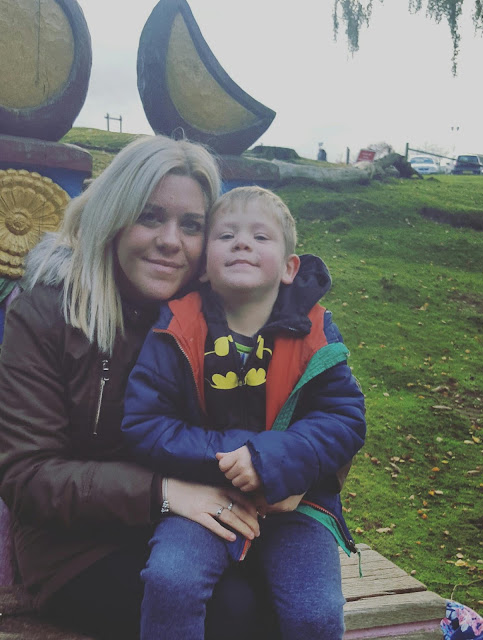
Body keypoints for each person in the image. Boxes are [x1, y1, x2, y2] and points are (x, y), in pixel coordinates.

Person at [0, 136, 271, 640]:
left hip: (198, 524)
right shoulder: (50, 312)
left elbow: (312, 405)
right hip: (78, 546)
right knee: (229, 615)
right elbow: (27, 473)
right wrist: (163, 493)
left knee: (284, 600)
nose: (170, 241)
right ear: (113, 218)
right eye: (149, 217)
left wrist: (291, 469)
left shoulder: (221, 312)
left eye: (191, 225)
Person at [122, 186, 367, 639]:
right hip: (204, 498)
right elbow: (145, 423)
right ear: (203, 267)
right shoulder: (176, 327)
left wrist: (272, 459)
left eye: (260, 236)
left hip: (295, 504)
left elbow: (345, 419)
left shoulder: (315, 330)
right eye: (226, 235)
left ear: (290, 267)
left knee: (316, 612)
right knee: (170, 580)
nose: (242, 244)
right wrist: (235, 457)